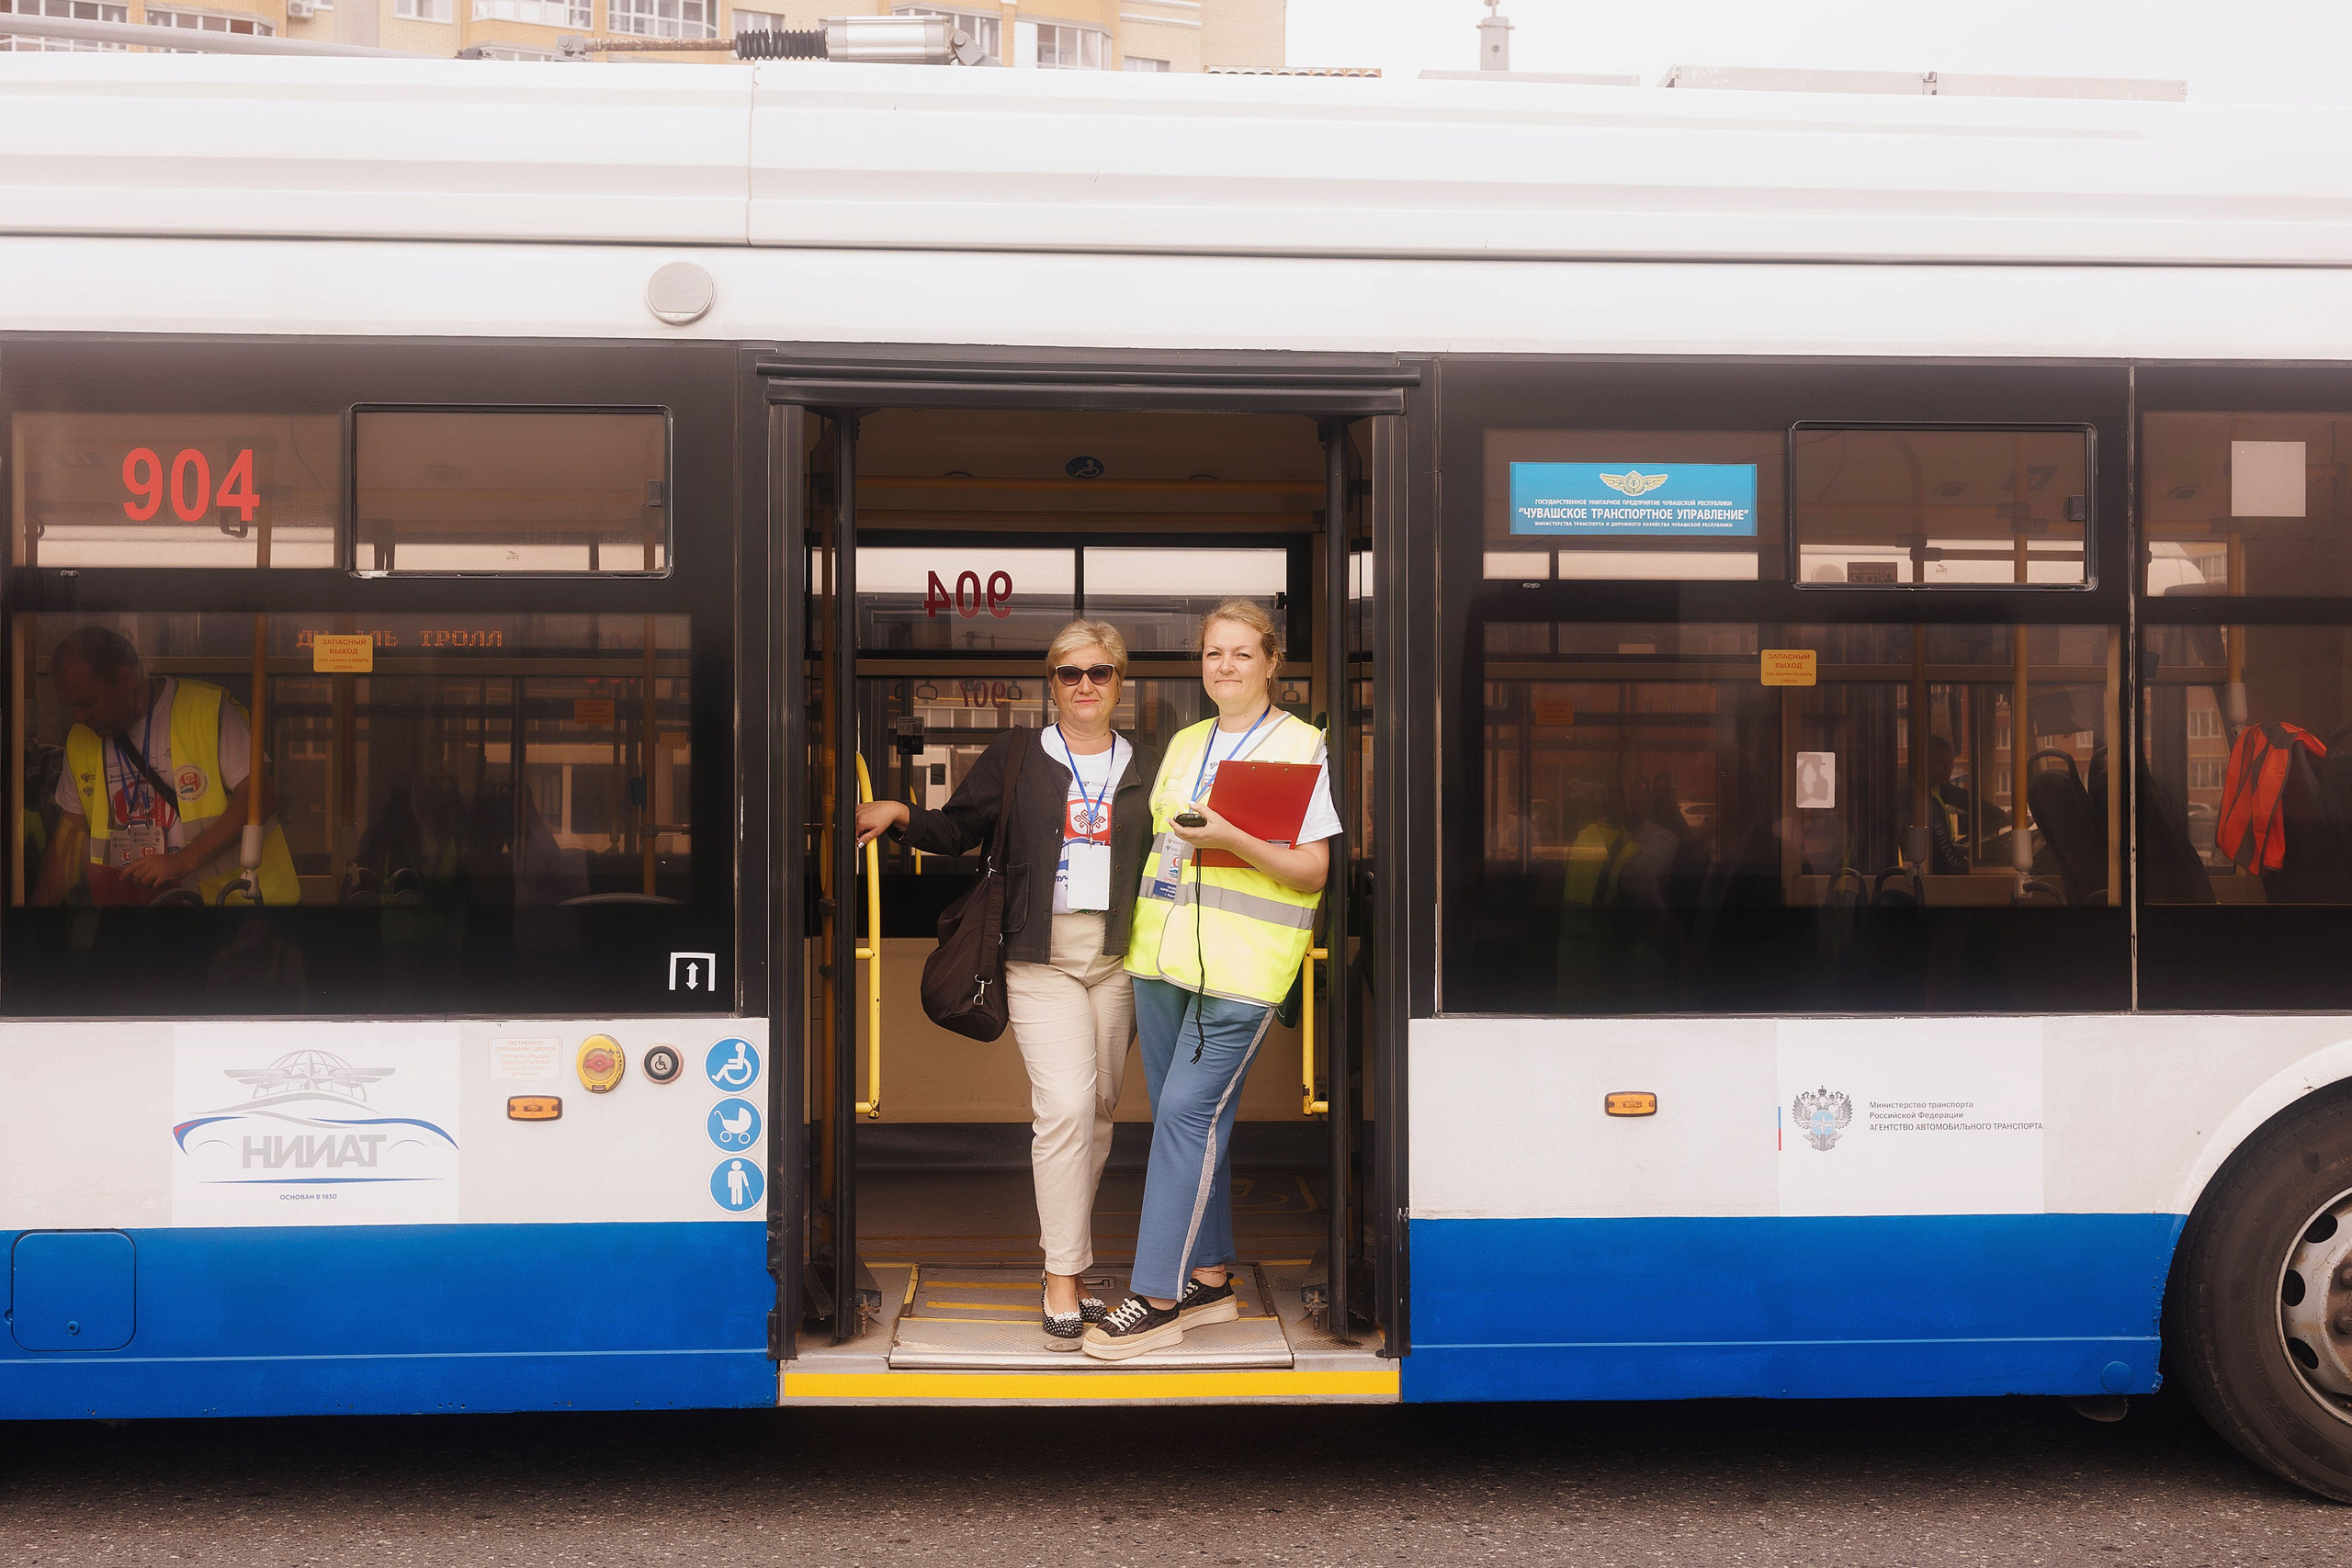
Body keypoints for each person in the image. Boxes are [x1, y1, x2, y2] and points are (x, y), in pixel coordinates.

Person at [856, 619, 1161, 1350]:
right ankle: (1062, 1274)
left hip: (1120, 957)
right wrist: (902, 813)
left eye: (1100, 673)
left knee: (1099, 1112)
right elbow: (960, 828)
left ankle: (1074, 1259)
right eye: (1069, 673)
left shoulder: (1150, 765)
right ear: (1049, 682)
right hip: (1037, 955)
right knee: (1062, 1106)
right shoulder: (1019, 754)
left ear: (1121, 682)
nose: (1085, 685)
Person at [1084, 598, 1339, 1361]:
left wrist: (1233, 837)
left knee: (1185, 1119)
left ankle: (1157, 1297)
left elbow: (1314, 870)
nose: (1224, 666)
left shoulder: (1303, 747)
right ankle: (1211, 1275)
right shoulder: (1186, 742)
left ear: (1271, 663)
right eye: (1212, 653)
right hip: (1161, 965)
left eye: (1240, 653)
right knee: (1191, 1124)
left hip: (1242, 973)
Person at [32, 626, 298, 908]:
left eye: (87, 702)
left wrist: (183, 860)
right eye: (70, 706)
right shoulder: (81, 739)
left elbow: (260, 795)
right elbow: (71, 836)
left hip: (231, 906)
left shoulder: (204, 711)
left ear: (126, 678)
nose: (79, 716)